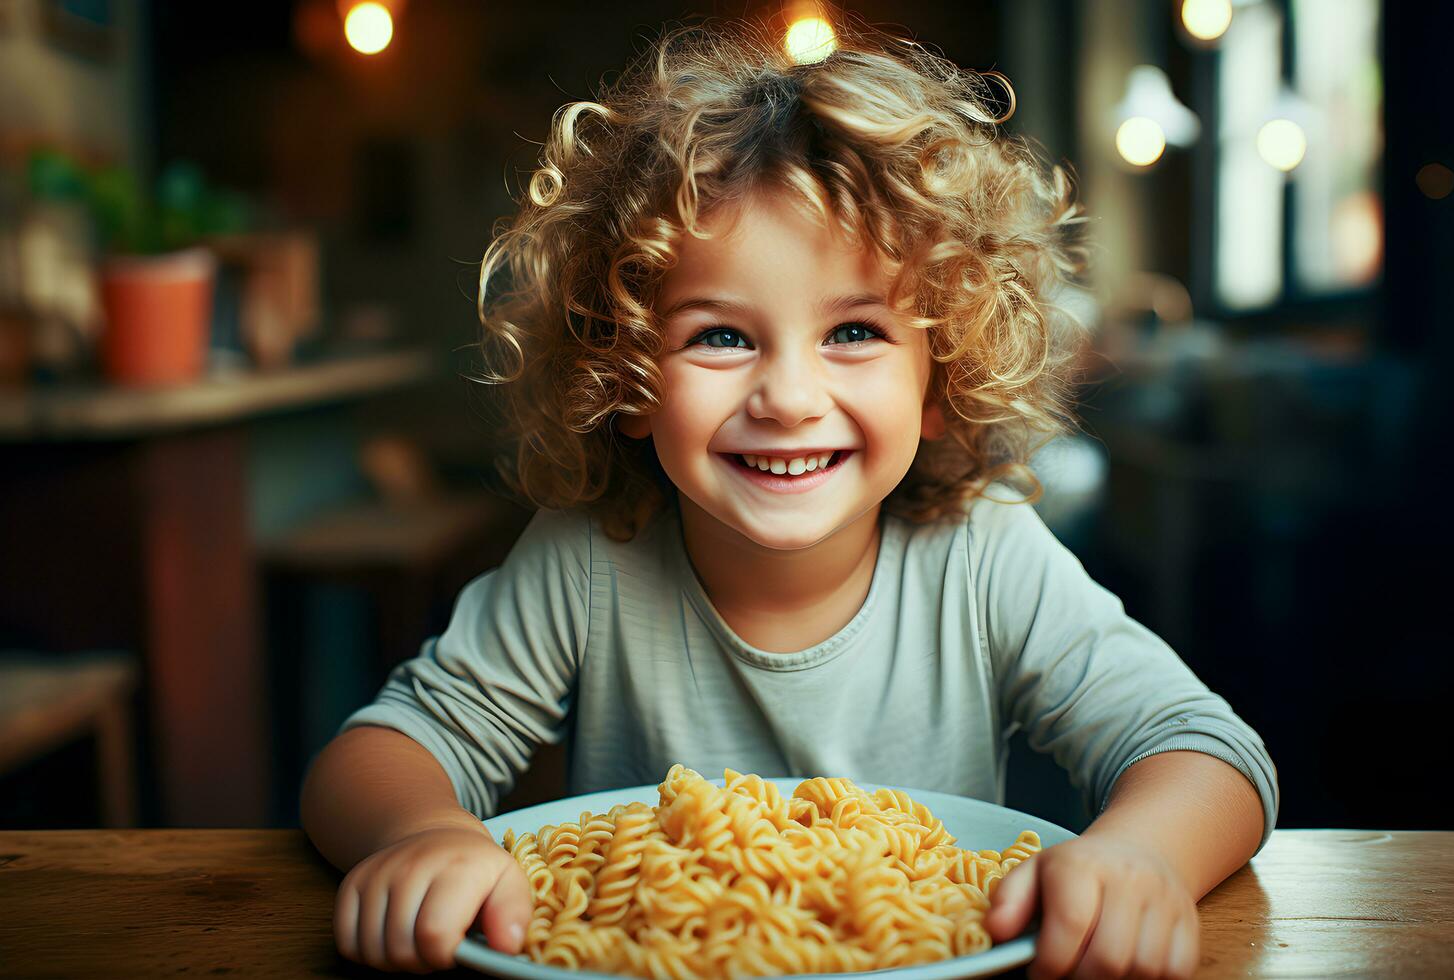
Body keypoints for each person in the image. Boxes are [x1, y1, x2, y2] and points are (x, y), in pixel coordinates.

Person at [301, 15, 1277, 979]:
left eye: (854, 332)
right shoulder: (589, 558)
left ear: (940, 382)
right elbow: (375, 755)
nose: (790, 398)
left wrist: (1143, 852)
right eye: (721, 336)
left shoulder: (983, 555)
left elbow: (1207, 751)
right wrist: (421, 829)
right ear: (628, 379)